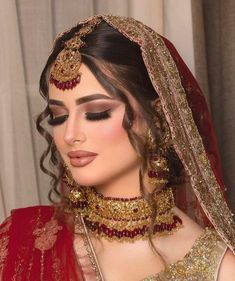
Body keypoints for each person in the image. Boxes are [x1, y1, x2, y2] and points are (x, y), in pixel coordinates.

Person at [0, 15, 235, 281]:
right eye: (59, 116)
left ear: (157, 118)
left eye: (97, 112)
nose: (70, 135)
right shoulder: (23, 241)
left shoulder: (219, 269)